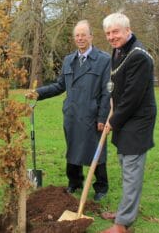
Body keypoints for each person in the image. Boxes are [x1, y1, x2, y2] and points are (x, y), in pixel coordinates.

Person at [26, 20, 111, 201]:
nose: (80, 38)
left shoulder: (104, 60)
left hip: (92, 114)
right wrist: (38, 93)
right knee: (73, 149)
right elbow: (59, 86)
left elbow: (106, 92)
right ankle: (74, 182)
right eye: (77, 35)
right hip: (72, 114)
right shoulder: (69, 60)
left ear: (91, 37)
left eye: (83, 35)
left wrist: (102, 117)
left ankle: (101, 187)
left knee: (96, 151)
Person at [100, 13, 157, 233]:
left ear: (127, 29)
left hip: (137, 119)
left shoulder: (138, 56)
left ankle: (122, 225)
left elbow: (132, 97)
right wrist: (111, 112)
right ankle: (126, 209)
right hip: (123, 116)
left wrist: (112, 121)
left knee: (132, 169)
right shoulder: (118, 50)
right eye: (108, 33)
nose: (111, 37)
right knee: (125, 164)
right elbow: (116, 85)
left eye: (115, 32)